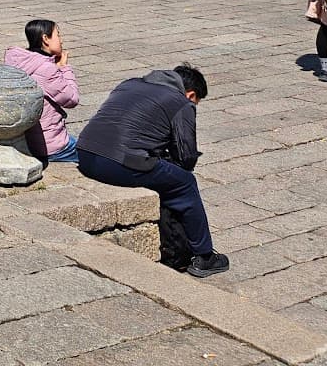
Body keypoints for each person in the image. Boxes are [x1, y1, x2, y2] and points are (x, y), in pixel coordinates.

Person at [77, 63, 228, 278]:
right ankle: (204, 255)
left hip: (85, 153)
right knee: (185, 183)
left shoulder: (129, 84)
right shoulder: (181, 102)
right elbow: (186, 156)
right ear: (191, 94)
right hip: (116, 164)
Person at [3, 19, 80, 162]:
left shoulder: (17, 61)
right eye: (58, 35)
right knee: (95, 152)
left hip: (24, 140)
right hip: (50, 145)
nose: (61, 40)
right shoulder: (46, 69)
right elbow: (72, 99)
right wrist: (64, 69)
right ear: (45, 39)